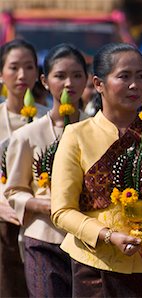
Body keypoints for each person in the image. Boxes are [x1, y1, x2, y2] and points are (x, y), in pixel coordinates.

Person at [50, 43, 142, 297]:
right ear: (98, 84)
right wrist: (106, 235)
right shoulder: (76, 135)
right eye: (124, 76)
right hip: (96, 266)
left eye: (141, 76)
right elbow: (62, 210)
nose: (135, 85)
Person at [4, 44, 89, 297]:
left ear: (88, 80)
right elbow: (14, 191)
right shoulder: (27, 136)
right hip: (43, 239)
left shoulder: (98, 130)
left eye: (76, 75)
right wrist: (42, 205)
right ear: (44, 80)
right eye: (60, 76)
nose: (68, 83)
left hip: (88, 240)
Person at [0, 39, 48, 298]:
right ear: (1, 73)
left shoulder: (50, 118)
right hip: (4, 222)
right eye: (13, 67)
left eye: (29, 67)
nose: (21, 75)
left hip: (43, 219)